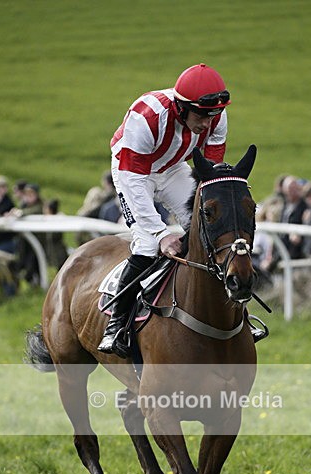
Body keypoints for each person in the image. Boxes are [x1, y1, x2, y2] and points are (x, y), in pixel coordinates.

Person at [97, 63, 230, 357]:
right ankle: (116, 323)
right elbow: (134, 178)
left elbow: (209, 172)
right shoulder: (147, 116)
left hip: (172, 169)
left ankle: (224, 312)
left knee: (205, 230)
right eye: (201, 115)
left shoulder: (216, 114)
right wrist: (160, 234)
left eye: (213, 115)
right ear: (182, 108)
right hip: (133, 172)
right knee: (147, 244)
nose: (207, 124)